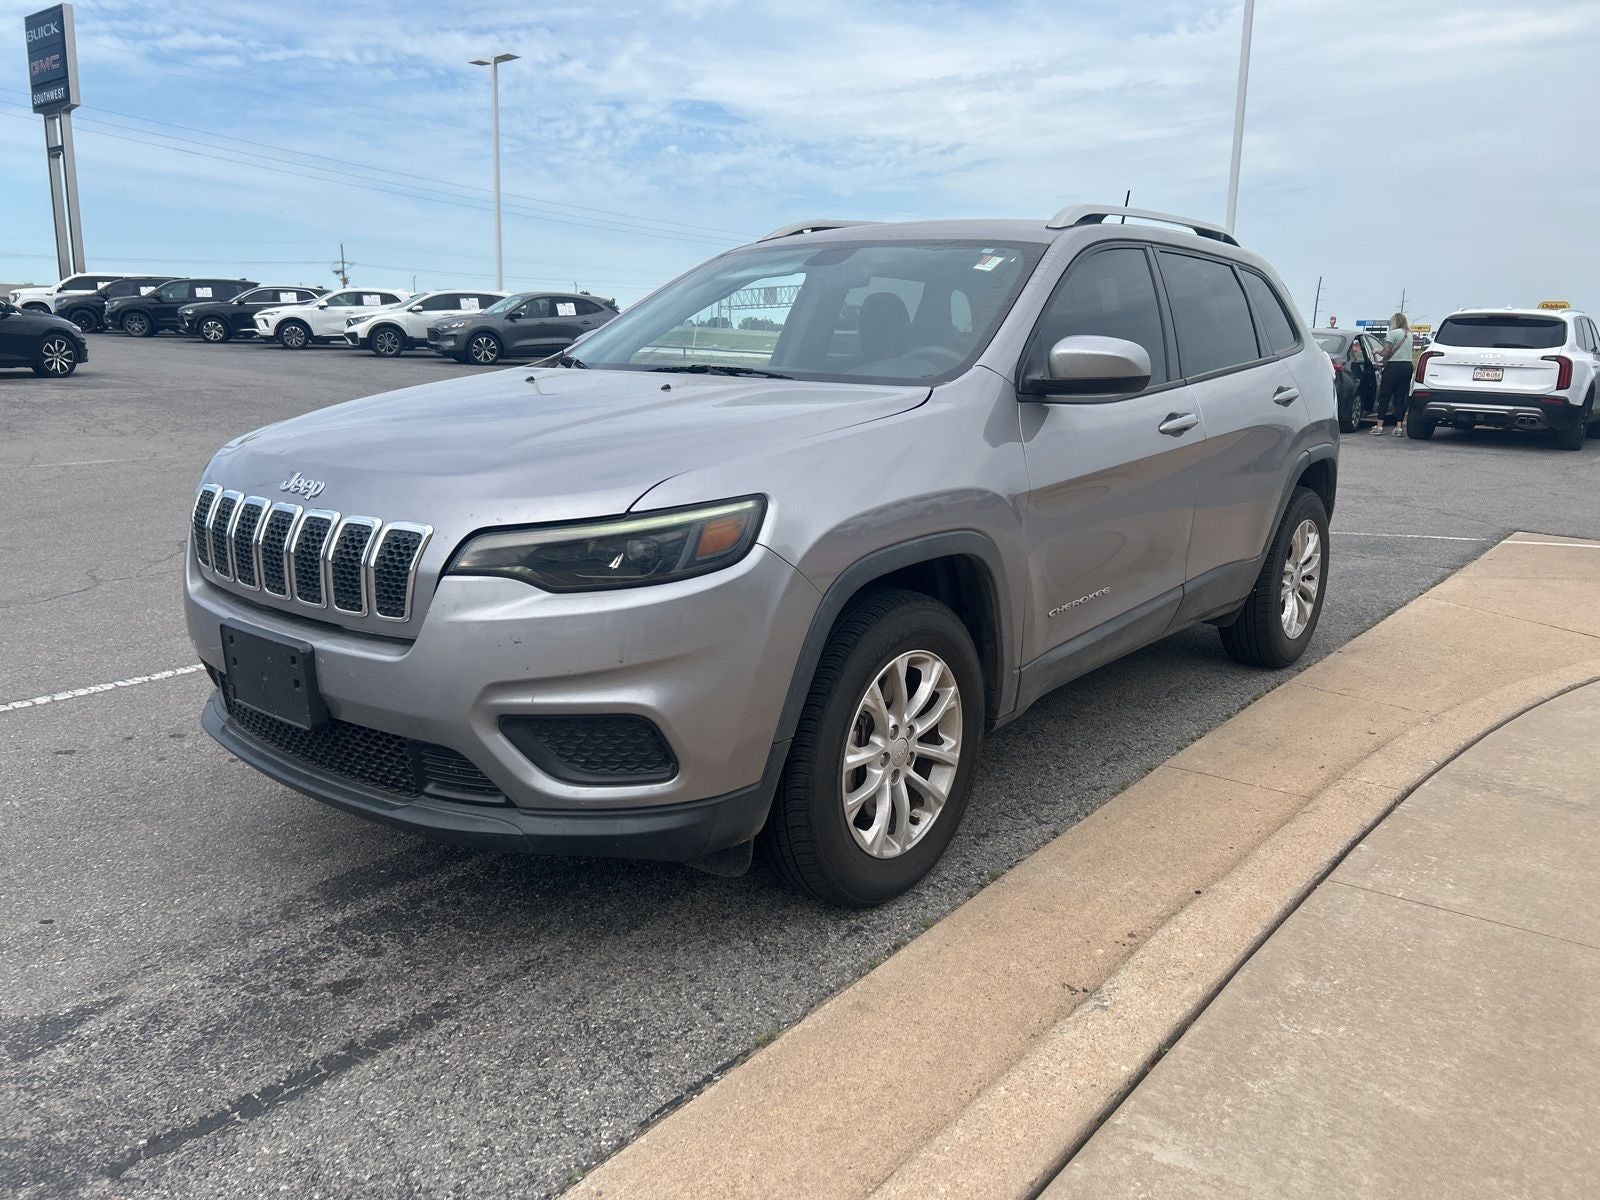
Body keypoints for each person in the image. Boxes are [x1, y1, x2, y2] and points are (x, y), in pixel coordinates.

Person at [1372, 312, 1414, 437]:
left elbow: (1386, 352)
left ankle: (1379, 426)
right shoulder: (1409, 335)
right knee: (1400, 397)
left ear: (1395, 322)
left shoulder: (1392, 333)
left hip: (1393, 367)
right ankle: (1399, 427)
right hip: (1407, 367)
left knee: (1384, 396)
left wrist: (1376, 351)